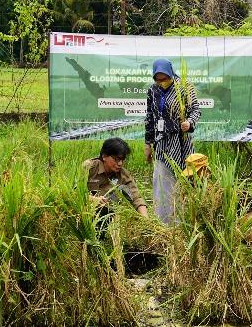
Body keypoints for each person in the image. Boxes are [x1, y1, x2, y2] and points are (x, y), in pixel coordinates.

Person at [145, 58, 201, 224]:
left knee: (183, 181)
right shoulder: (152, 90)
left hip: (181, 142)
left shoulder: (184, 87)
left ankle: (182, 222)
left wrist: (189, 123)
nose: (162, 82)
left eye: (165, 78)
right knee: (162, 182)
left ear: (171, 73)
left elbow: (196, 110)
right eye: (158, 79)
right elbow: (149, 118)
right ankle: (164, 223)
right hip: (161, 143)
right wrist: (148, 143)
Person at [82, 137, 148, 217]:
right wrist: (93, 199)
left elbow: (136, 198)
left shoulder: (123, 175)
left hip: (105, 215)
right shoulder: (89, 167)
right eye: (116, 159)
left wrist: (146, 219)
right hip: (83, 213)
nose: (120, 163)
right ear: (104, 156)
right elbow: (73, 193)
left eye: (122, 160)